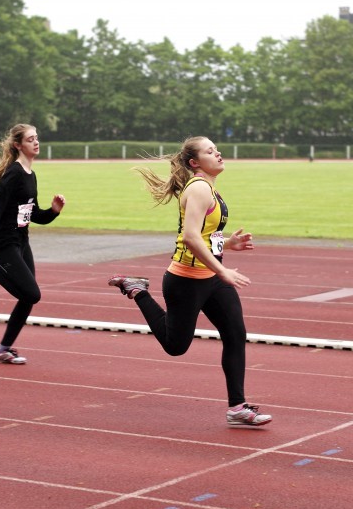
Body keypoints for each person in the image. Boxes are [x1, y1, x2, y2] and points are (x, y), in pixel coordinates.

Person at [108, 136, 272, 427]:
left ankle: (237, 407)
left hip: (212, 278)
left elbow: (204, 236)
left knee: (235, 334)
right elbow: (190, 238)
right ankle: (137, 290)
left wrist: (227, 244)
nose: (218, 153)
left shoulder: (208, 187)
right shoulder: (198, 188)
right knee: (175, 346)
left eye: (216, 149)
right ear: (195, 162)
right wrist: (223, 271)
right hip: (186, 280)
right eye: (210, 151)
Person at [0, 124, 65, 364]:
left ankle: (3, 350)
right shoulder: (15, 173)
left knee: (28, 298)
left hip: (21, 241)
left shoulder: (30, 174)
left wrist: (53, 211)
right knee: (32, 294)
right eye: (30, 139)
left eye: (36, 138)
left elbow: (32, 214)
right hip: (4, 242)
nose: (36, 142)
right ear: (18, 145)